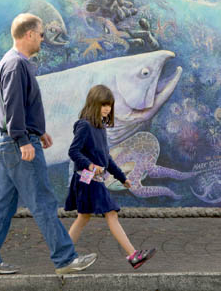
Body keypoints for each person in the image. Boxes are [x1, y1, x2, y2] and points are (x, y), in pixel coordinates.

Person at [0, 13, 98, 275]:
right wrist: (23, 140)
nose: (43, 38)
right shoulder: (15, 64)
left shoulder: (14, 63)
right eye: (41, 34)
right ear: (29, 34)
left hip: (13, 141)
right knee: (42, 201)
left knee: (2, 204)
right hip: (17, 143)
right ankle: (65, 259)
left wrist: (38, 132)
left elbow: (19, 104)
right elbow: (12, 106)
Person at [64, 84, 157, 269]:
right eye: (103, 104)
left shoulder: (100, 127)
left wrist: (123, 178)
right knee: (110, 214)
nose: (107, 108)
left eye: (109, 105)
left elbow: (106, 158)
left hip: (93, 179)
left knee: (84, 218)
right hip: (87, 178)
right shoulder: (84, 125)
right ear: (93, 104)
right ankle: (133, 255)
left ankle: (62, 253)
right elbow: (73, 151)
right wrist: (90, 165)